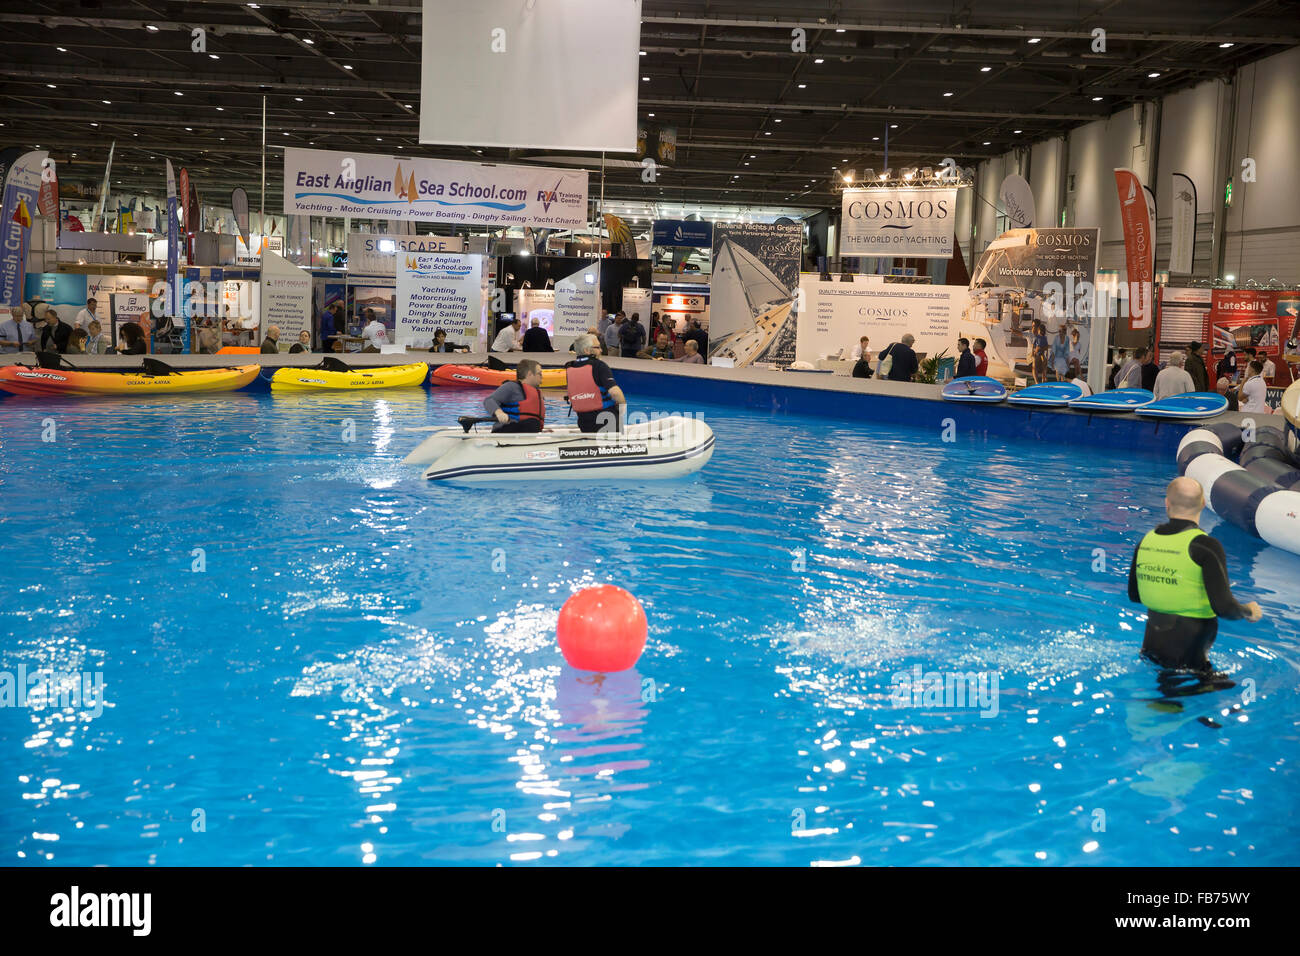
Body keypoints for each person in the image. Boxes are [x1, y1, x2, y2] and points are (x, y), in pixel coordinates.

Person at [1128, 476, 1262, 671]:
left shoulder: (1145, 542)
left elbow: (1135, 595)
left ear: (1166, 503)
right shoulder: (1206, 546)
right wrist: (1248, 611)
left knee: (1165, 692)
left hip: (1151, 650)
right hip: (1191, 659)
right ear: (1203, 503)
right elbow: (1224, 608)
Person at [565, 333, 626, 432]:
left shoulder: (570, 368)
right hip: (607, 420)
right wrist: (622, 411)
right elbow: (615, 392)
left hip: (584, 422)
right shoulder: (599, 366)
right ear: (587, 350)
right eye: (597, 347)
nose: (601, 350)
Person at [484, 359, 546, 433]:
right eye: (539, 373)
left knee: (533, 423)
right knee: (532, 423)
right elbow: (489, 400)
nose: (542, 377)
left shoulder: (537, 393)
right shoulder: (511, 387)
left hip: (527, 431)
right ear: (530, 374)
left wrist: (540, 431)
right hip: (505, 430)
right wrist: (499, 413)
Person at [1030, 319, 1049, 384]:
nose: (1041, 332)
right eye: (1040, 331)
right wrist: (1033, 352)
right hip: (1037, 353)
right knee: (1035, 361)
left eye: (1042, 331)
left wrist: (1046, 354)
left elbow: (1046, 346)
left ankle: (1044, 377)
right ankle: (1036, 381)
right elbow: (1033, 345)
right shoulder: (1037, 337)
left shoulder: (1044, 338)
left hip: (1042, 353)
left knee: (1044, 361)